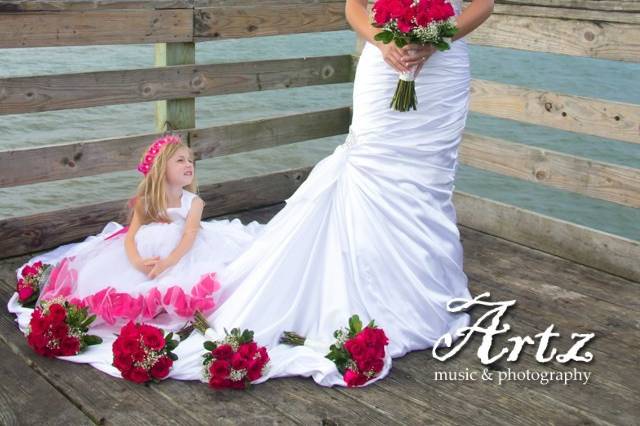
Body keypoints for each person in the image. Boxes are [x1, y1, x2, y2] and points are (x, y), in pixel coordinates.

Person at [172, 0, 495, 386]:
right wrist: (381, 40)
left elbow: (484, 4)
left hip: (443, 69)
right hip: (383, 59)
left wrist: (438, 38)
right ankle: (360, 285)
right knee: (370, 165)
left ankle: (417, 288)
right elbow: (354, 6)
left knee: (428, 176)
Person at [7, 135, 264, 377]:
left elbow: (189, 236)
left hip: (185, 256)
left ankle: (162, 301)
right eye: (181, 160)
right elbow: (129, 236)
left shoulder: (193, 202)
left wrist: (168, 262)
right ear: (162, 168)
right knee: (119, 282)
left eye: (190, 160)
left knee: (183, 285)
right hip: (146, 255)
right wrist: (137, 261)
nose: (189, 165)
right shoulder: (145, 201)